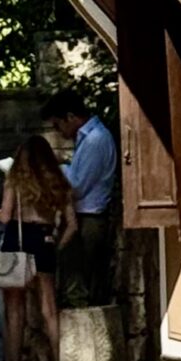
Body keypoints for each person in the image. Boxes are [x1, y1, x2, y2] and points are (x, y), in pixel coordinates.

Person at [0, 136, 75, 361]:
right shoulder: (59, 183)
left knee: (14, 311)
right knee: (49, 308)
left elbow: (5, 217)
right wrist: (55, 247)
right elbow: (72, 225)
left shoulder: (14, 181)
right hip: (45, 240)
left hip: (15, 241)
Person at [42, 92, 117, 307]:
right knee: (73, 273)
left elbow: (77, 187)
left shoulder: (95, 140)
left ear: (71, 117)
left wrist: (56, 168)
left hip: (89, 217)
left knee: (79, 277)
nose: (59, 132)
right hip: (82, 215)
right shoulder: (87, 139)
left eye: (58, 125)